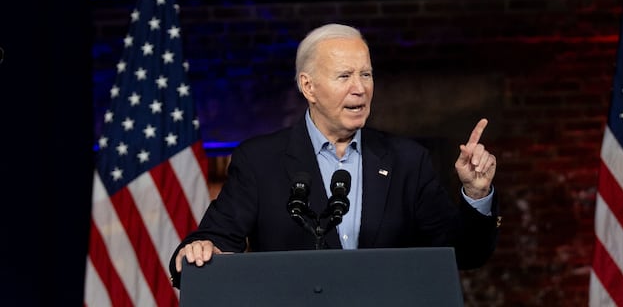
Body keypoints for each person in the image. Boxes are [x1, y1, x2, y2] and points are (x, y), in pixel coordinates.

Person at [169, 23, 500, 288]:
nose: (360, 88)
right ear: (308, 87)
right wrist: (202, 250)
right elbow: (212, 239)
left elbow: (465, 252)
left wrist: (476, 193)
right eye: (344, 76)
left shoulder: (406, 160)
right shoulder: (260, 160)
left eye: (366, 74)